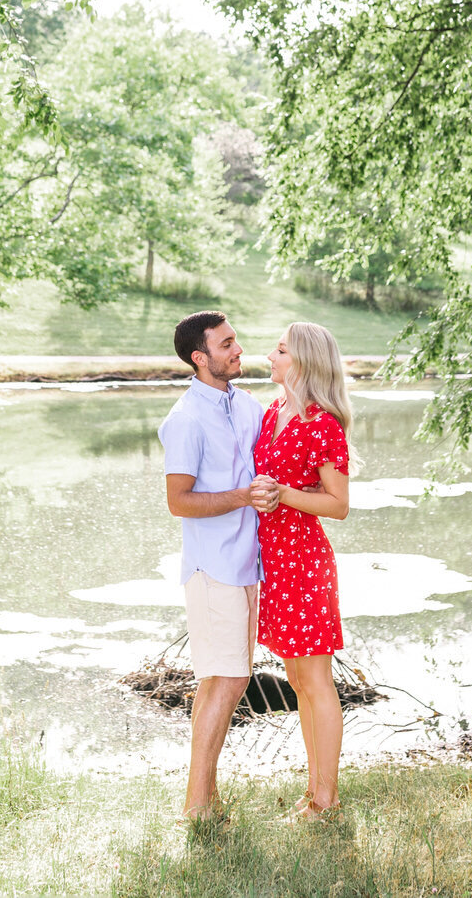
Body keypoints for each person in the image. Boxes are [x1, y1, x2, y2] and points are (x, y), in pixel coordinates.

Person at [158, 310, 276, 825]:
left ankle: (202, 801)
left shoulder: (245, 404)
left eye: (237, 341)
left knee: (228, 678)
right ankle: (197, 805)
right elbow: (179, 501)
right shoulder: (184, 419)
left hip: (248, 563)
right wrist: (242, 496)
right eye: (227, 345)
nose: (238, 350)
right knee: (224, 680)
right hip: (212, 568)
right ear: (200, 358)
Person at [250, 321, 352, 822]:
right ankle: (315, 790)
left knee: (315, 681)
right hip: (274, 564)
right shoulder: (273, 415)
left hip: (304, 564)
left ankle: (326, 800)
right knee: (296, 678)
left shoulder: (323, 424)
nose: (270, 355)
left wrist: (284, 494)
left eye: (281, 349)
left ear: (305, 362)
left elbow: (338, 505)